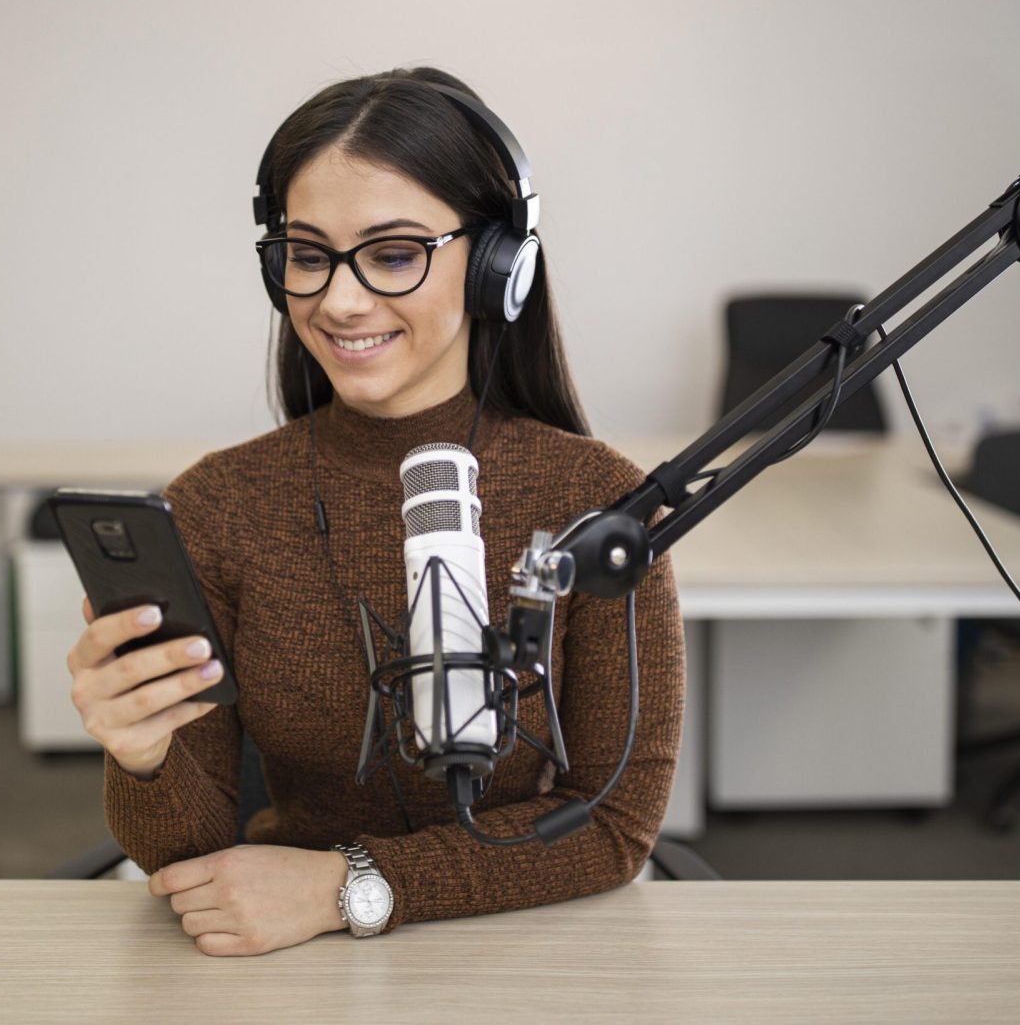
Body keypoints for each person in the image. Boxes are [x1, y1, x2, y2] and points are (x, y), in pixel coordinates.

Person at [65, 67, 685, 957]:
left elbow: (616, 827)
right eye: (308, 256)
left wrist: (351, 885)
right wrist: (141, 755)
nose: (338, 301)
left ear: (498, 266)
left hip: (530, 954)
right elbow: (192, 860)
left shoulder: (596, 511)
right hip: (290, 969)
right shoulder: (219, 506)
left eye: (393, 254)